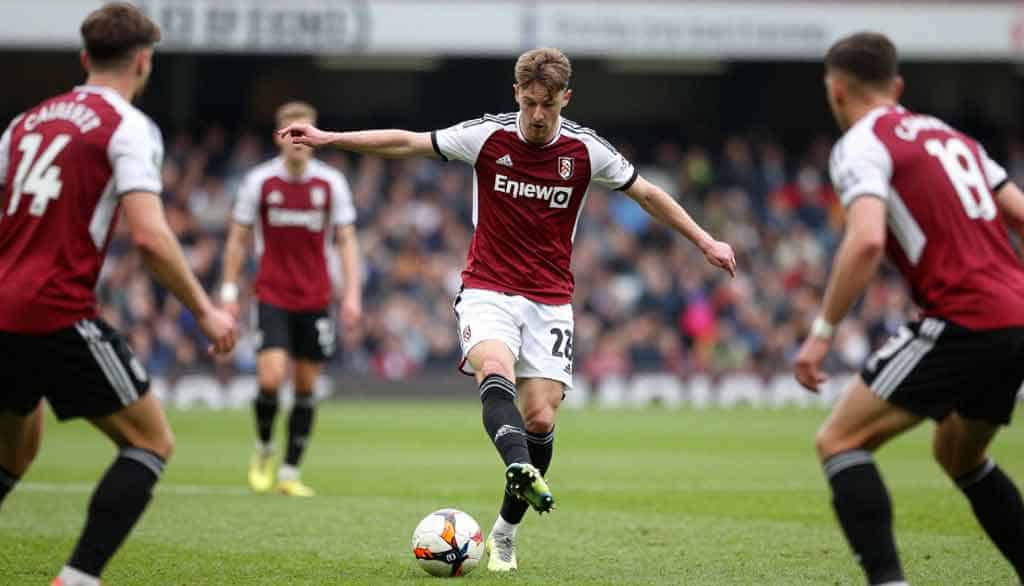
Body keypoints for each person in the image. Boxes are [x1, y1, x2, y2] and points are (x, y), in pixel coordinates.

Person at [279, 47, 736, 571]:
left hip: (550, 301)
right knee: (493, 369)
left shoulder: (586, 151)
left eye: (549, 105)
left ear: (566, 98)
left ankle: (505, 532)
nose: (539, 115)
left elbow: (649, 194)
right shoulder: (488, 136)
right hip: (487, 288)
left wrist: (704, 240)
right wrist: (329, 139)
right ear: (516, 92)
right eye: (530, 102)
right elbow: (407, 143)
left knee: (539, 417)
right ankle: (518, 467)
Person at [0, 4, 237, 586]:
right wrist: (204, 310)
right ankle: (76, 580)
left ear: (85, 58)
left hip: (3, 308)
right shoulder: (128, 126)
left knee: (13, 454)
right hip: (56, 312)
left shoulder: (24, 124)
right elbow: (150, 237)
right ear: (143, 61)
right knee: (150, 442)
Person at [794, 31, 1024, 586]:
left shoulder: (860, 144)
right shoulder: (954, 138)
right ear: (896, 86)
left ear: (837, 90)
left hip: (964, 317)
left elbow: (867, 239)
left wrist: (822, 331)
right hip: (1017, 315)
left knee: (839, 441)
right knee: (958, 455)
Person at [220, 101, 361, 497]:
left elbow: (347, 240)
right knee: (269, 378)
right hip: (272, 296)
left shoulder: (331, 184)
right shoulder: (259, 182)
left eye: (305, 132)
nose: (298, 140)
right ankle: (264, 446)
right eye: (290, 133)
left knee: (305, 388)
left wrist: (351, 294)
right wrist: (229, 293)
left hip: (316, 299)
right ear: (278, 137)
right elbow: (237, 239)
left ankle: (289, 472)